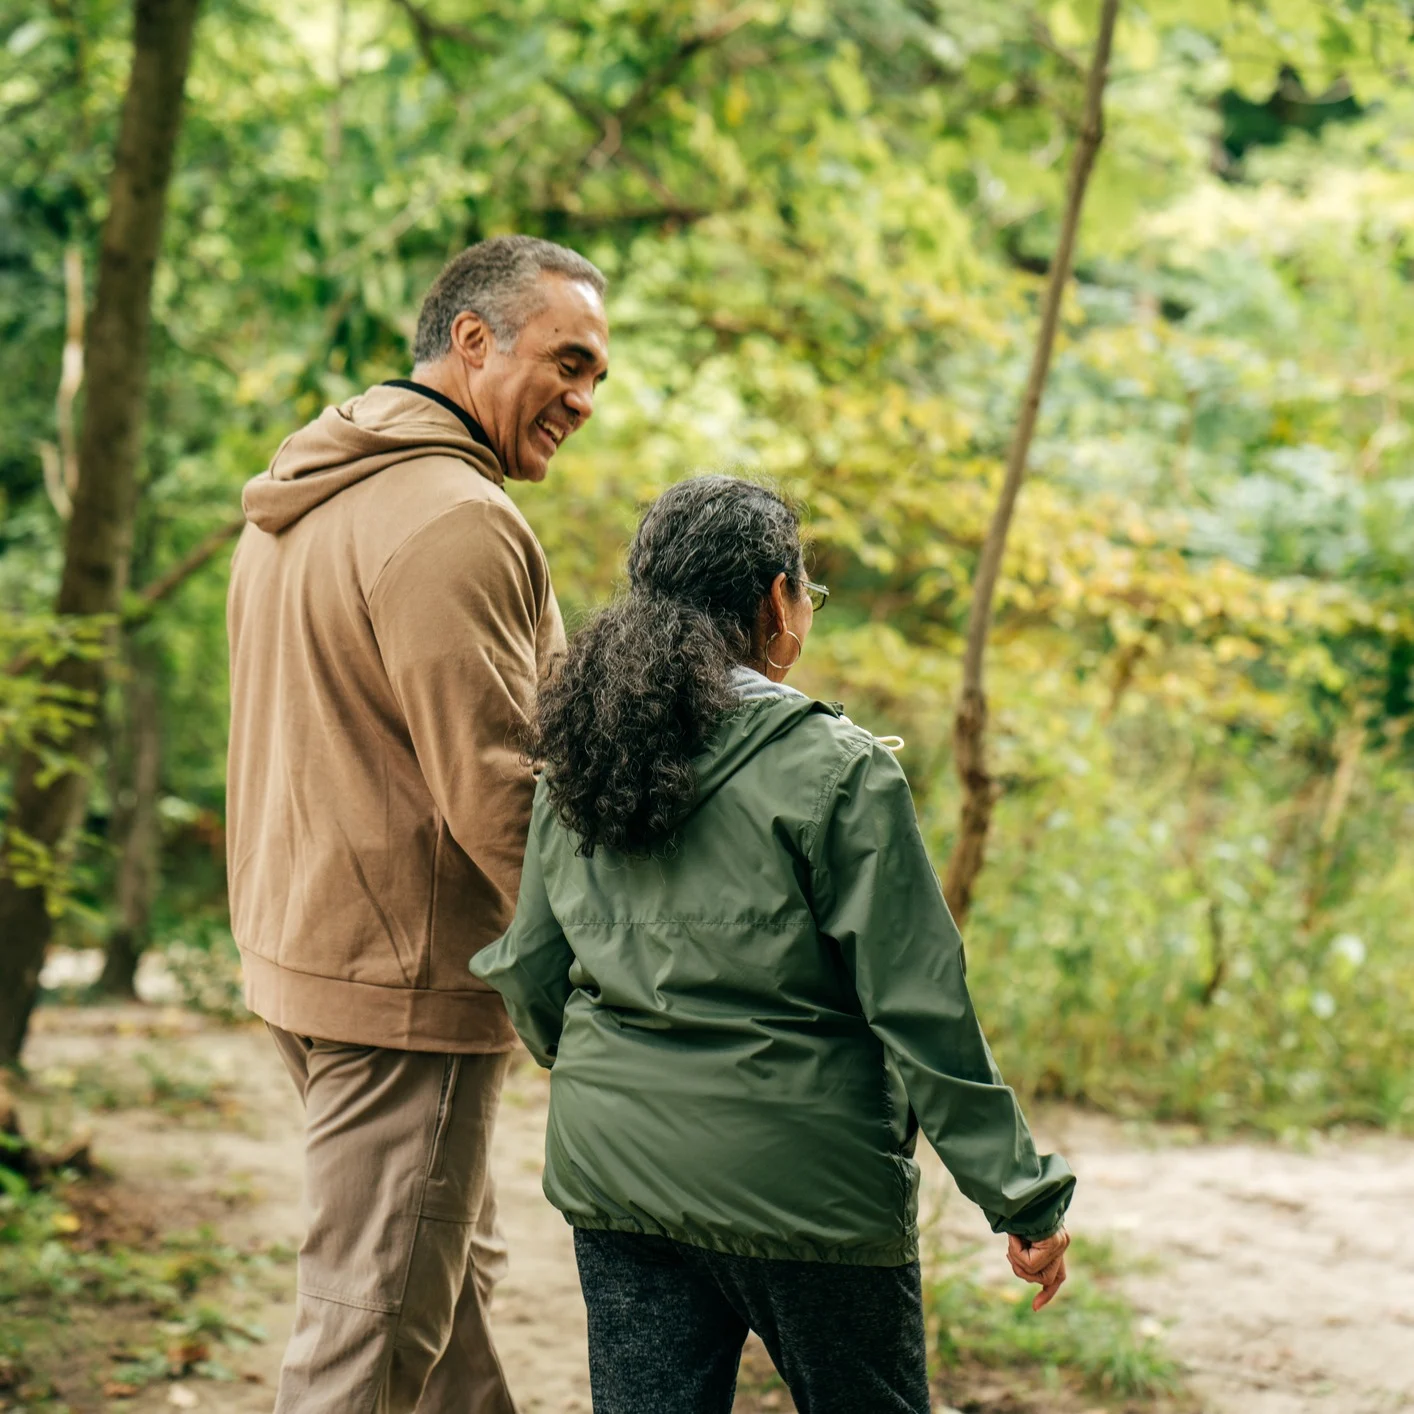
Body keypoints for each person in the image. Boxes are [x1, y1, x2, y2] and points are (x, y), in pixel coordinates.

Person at [470, 475, 1076, 1414]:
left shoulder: (582, 758)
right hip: (809, 1197)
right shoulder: (836, 770)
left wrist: (619, 1073)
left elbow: (534, 970)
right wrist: (1022, 1198)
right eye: (807, 593)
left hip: (618, 1176)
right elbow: (922, 1009)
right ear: (774, 602)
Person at [226, 235, 609, 1413]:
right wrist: (621, 967)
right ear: (474, 340)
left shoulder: (306, 491)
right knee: (371, 1332)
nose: (585, 400)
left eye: (599, 376)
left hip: (307, 953)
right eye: (569, 361)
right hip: (406, 987)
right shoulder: (453, 518)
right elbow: (502, 792)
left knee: (440, 1306)